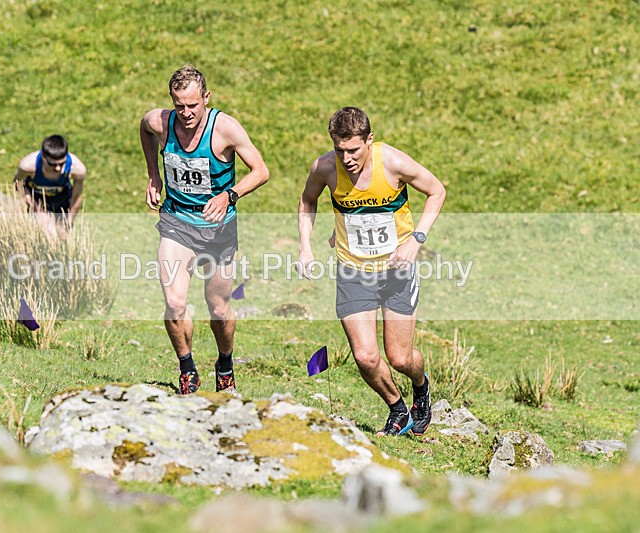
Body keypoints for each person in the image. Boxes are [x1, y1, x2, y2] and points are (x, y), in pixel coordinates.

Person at [297, 107, 446, 436]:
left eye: (353, 150)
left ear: (369, 141)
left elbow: (437, 191)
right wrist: (305, 246)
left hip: (397, 271)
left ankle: (420, 387)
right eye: (340, 149)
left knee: (401, 358)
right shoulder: (325, 167)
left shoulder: (392, 162)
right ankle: (397, 408)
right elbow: (308, 200)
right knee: (365, 357)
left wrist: (416, 241)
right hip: (353, 271)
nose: (347, 158)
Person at [140, 65, 269, 395]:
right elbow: (144, 127)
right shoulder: (162, 122)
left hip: (217, 230)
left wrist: (230, 195)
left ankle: (224, 363)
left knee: (219, 308)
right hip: (176, 223)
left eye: (193, 105)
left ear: (206, 98)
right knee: (174, 302)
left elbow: (261, 171)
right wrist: (154, 173)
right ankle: (187, 369)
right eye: (179, 105)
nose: (185, 113)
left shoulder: (225, 128)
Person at [12, 135, 87, 237]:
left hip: (61, 201)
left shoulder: (77, 169)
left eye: (61, 164)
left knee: (62, 237)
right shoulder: (28, 166)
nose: (57, 168)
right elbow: (18, 185)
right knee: (46, 232)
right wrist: (37, 209)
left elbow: (76, 198)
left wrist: (68, 223)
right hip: (36, 199)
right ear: (43, 156)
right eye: (52, 164)